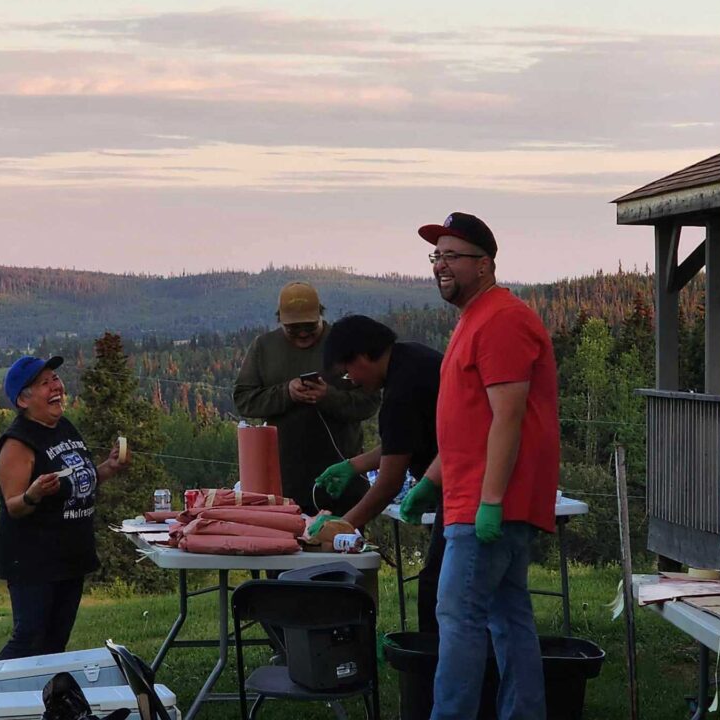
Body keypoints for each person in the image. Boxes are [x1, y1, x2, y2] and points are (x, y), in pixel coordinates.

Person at [414, 212, 560, 720]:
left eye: (452, 256)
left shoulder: (501, 319)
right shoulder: (473, 319)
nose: (440, 265)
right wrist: (430, 482)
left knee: (458, 615)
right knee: (507, 614)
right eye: (436, 256)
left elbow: (509, 417)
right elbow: (470, 422)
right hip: (471, 496)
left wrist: (491, 502)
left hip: (486, 503)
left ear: (486, 264)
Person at [313, 315, 444, 631]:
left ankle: (435, 668)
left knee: (437, 589)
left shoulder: (400, 392)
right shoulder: (412, 358)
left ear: (362, 357)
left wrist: (344, 525)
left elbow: (388, 484)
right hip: (471, 481)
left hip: (468, 489)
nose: (352, 381)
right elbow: (400, 445)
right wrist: (353, 465)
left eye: (348, 373)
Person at [0, 355, 128, 659]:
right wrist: (33, 494)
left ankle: (43, 703)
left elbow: (78, 480)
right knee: (28, 639)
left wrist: (108, 467)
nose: (56, 386)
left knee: (55, 643)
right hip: (33, 561)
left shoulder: (63, 426)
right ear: (23, 400)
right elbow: (14, 505)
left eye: (55, 378)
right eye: (45, 383)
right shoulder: (17, 443)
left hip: (70, 557)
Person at [233, 282, 380, 514]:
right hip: (283, 481)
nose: (302, 333)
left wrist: (327, 396)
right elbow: (243, 400)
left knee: (342, 543)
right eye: (294, 328)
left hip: (343, 479)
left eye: (309, 326)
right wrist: (286, 393)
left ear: (321, 314)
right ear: (279, 320)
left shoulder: (344, 344)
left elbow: (370, 402)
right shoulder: (264, 347)